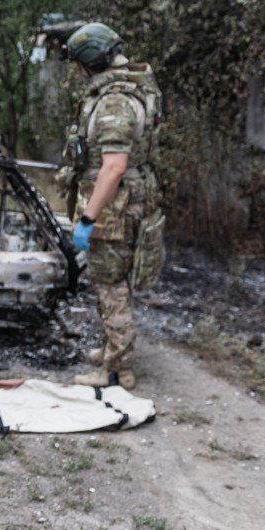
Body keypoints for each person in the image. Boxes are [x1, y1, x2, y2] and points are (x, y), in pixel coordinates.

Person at [63, 23, 166, 390]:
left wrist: (88, 218)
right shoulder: (135, 88)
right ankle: (111, 348)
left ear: (92, 60)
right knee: (112, 279)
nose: (77, 71)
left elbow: (114, 165)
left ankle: (116, 369)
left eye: (79, 63)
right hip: (128, 199)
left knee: (110, 284)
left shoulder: (114, 101)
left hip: (113, 205)